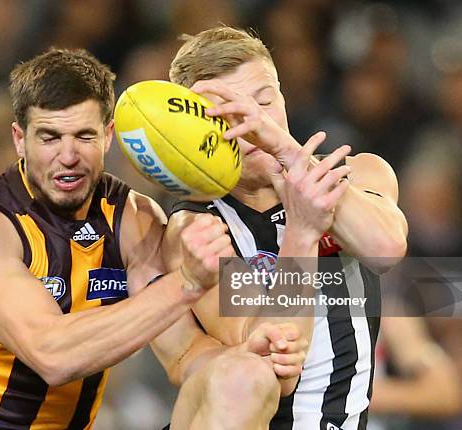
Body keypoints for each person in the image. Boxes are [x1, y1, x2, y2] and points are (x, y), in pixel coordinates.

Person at [0, 47, 245, 429]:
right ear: (19, 138)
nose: (68, 156)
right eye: (49, 137)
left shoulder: (133, 217)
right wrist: (187, 283)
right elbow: (52, 355)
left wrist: (243, 366)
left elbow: (184, 353)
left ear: (109, 135)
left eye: (84, 136)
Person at [161, 26, 408, 429]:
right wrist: (302, 232)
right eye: (229, 113)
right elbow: (275, 364)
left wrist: (288, 154)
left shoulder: (359, 172)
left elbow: (386, 248)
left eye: (264, 101)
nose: (255, 122)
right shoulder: (197, 227)